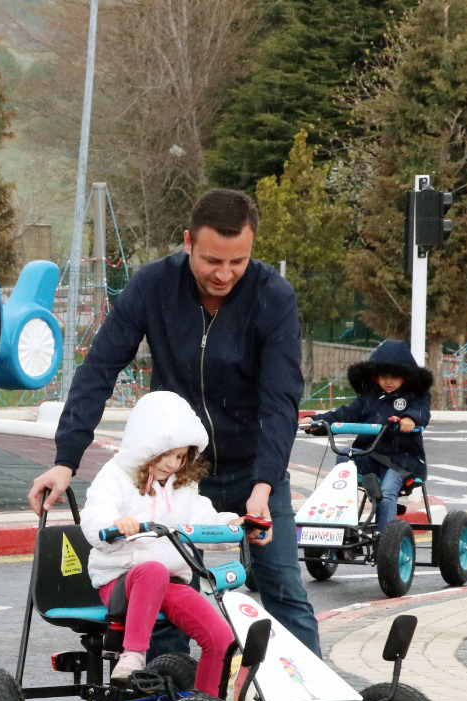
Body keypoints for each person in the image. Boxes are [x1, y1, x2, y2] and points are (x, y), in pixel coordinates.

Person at [27, 188, 321, 657]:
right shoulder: (152, 287)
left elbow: (281, 399)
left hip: (252, 473)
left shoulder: (273, 296)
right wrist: (66, 461)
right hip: (174, 475)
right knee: (164, 602)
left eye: (238, 261)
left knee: (284, 592)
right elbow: (99, 369)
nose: (224, 274)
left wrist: (264, 486)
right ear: (188, 242)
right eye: (211, 261)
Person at [79, 392, 238, 696]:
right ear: (146, 445)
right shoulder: (115, 476)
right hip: (122, 581)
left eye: (180, 456)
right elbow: (96, 514)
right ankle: (133, 656)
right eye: (165, 453)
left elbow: (204, 519)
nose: (172, 464)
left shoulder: (182, 487)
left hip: (169, 584)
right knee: (151, 570)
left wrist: (231, 525)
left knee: (220, 636)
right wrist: (114, 525)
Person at [303, 338, 431, 531]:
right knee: (345, 457)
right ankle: (342, 525)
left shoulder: (415, 396)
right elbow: (344, 413)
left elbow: (422, 411)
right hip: (369, 456)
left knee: (387, 493)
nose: (388, 381)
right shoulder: (369, 398)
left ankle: (385, 540)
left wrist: (410, 419)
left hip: (401, 460)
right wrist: (317, 422)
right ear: (374, 376)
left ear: (407, 376)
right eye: (383, 376)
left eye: (394, 376)